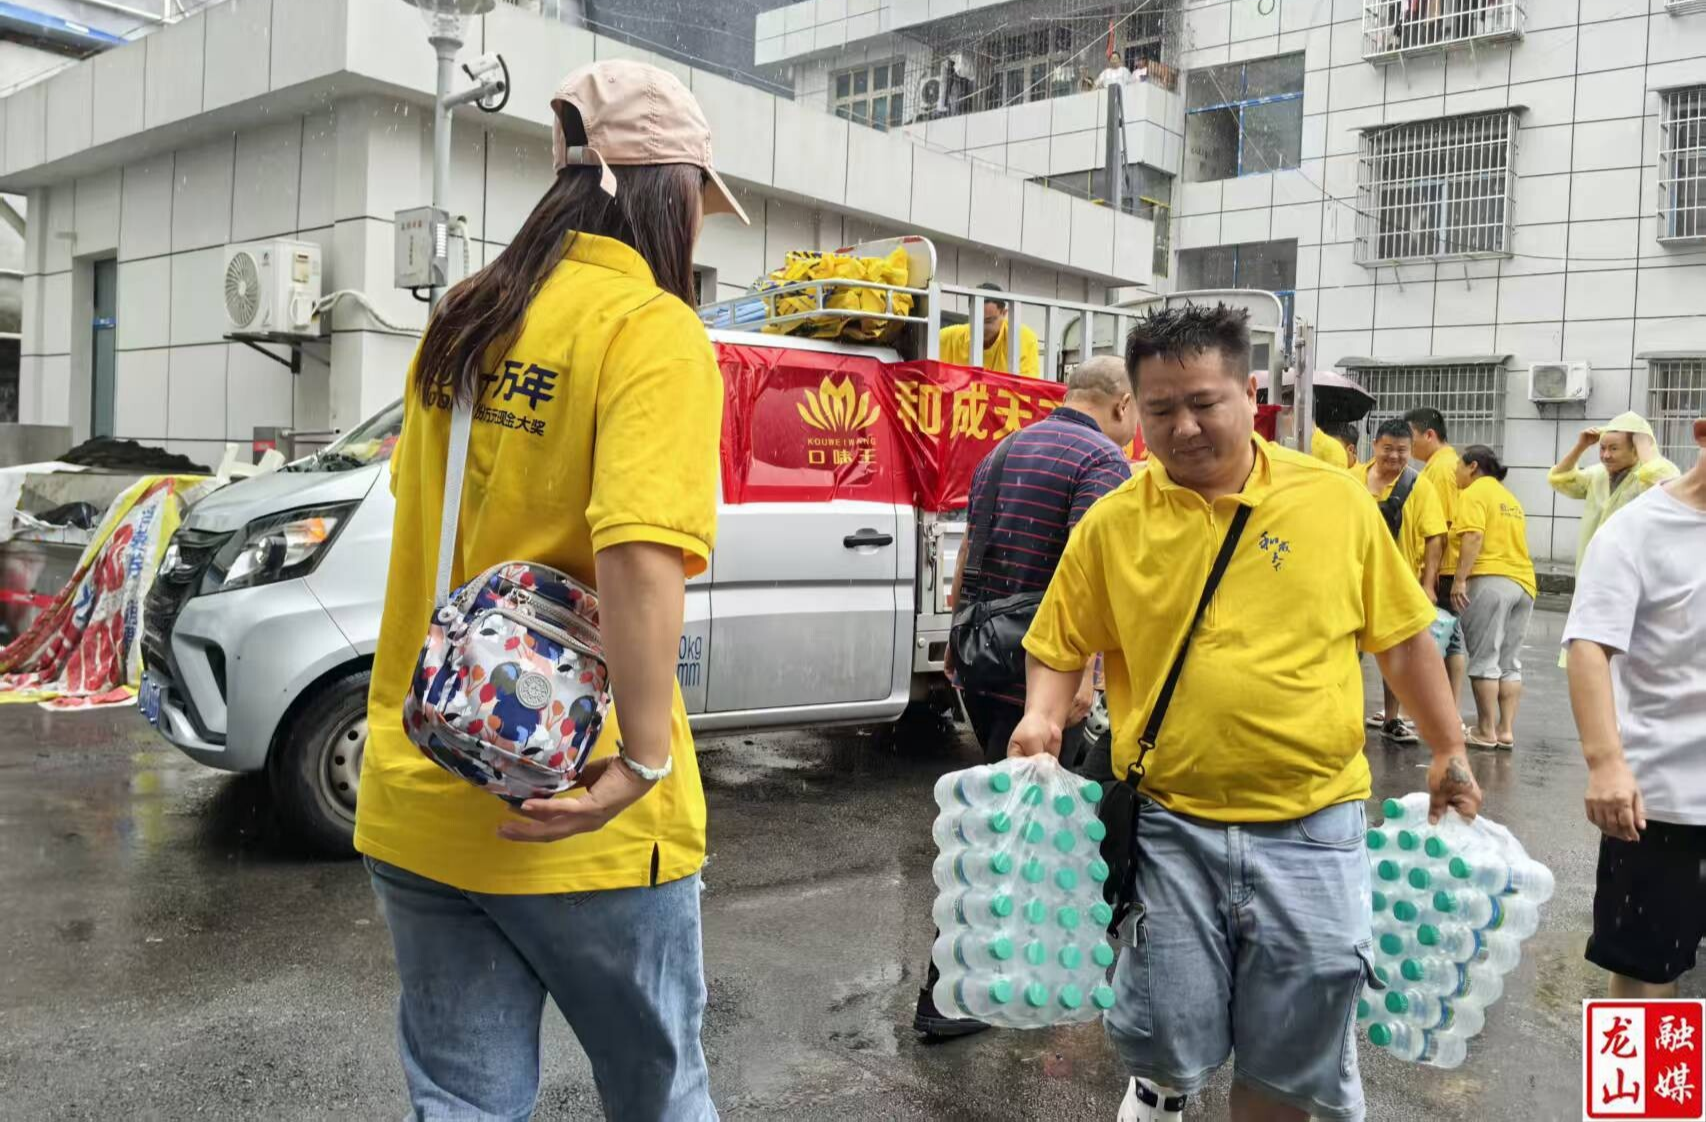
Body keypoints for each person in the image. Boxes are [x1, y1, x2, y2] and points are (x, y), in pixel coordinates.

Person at [355, 61, 742, 1121]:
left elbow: (424, 511)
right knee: (658, 1094)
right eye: (699, 201)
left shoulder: (466, 319)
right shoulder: (648, 330)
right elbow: (639, 552)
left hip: (422, 780)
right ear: (664, 191)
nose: (699, 227)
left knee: (464, 1102)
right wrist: (644, 761)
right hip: (581, 811)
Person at [1013, 304, 1481, 1122]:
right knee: (1166, 1028)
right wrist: (1041, 715)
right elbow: (1059, 639)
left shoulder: (1333, 503)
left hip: (1313, 824)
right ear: (1137, 411)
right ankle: (1162, 1085)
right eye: (1160, 410)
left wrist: (1448, 747)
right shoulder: (1113, 523)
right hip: (1171, 826)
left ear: (1248, 392)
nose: (1184, 427)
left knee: (1291, 1054)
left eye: (1204, 403)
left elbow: (1404, 643)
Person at [916, 353, 1136, 1039]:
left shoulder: (1004, 448)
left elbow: (968, 550)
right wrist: (1086, 676)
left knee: (1005, 819)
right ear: (1123, 404)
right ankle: (955, 993)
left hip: (980, 656)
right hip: (1041, 667)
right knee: (1026, 831)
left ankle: (980, 983)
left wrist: (954, 636)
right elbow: (1086, 572)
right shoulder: (1102, 463)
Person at [1564, 412, 1706, 1000]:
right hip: (1667, 801)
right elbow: (1589, 646)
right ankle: (1638, 1097)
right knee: (1647, 975)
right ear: (1702, 432)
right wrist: (1606, 763)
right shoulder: (1638, 530)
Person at [1356, 418, 1448, 745]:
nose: (1394, 457)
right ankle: (1348, 713)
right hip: (1353, 578)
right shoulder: (1351, 479)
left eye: (1402, 450)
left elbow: (1435, 536)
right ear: (1375, 447)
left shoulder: (1419, 485)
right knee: (1348, 650)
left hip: (1398, 581)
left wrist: (1427, 584)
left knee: (1394, 652)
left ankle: (1392, 718)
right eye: (1388, 449)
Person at [1451, 445, 1536, 751]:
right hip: (1524, 582)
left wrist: (1460, 579)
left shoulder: (1474, 493)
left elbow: (1473, 536)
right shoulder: (1509, 498)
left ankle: (1486, 730)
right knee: (1510, 661)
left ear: (1472, 466)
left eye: (1458, 468)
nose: (1455, 475)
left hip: (1490, 580)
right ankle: (1505, 730)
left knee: (1485, 658)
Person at [1404, 407, 1467, 707]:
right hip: (1446, 566)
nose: (1408, 445)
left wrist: (1429, 578)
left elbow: (1439, 529)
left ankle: (1439, 706)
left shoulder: (1441, 469)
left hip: (1442, 568)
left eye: (1411, 437)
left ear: (1429, 435)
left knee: (1440, 639)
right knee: (1450, 639)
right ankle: (1446, 706)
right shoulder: (1442, 464)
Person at [939, 281, 1041, 377]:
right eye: (975, 320)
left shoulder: (1023, 339)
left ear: (1003, 314)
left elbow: (1028, 390)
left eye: (989, 321)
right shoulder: (947, 338)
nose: (981, 327)